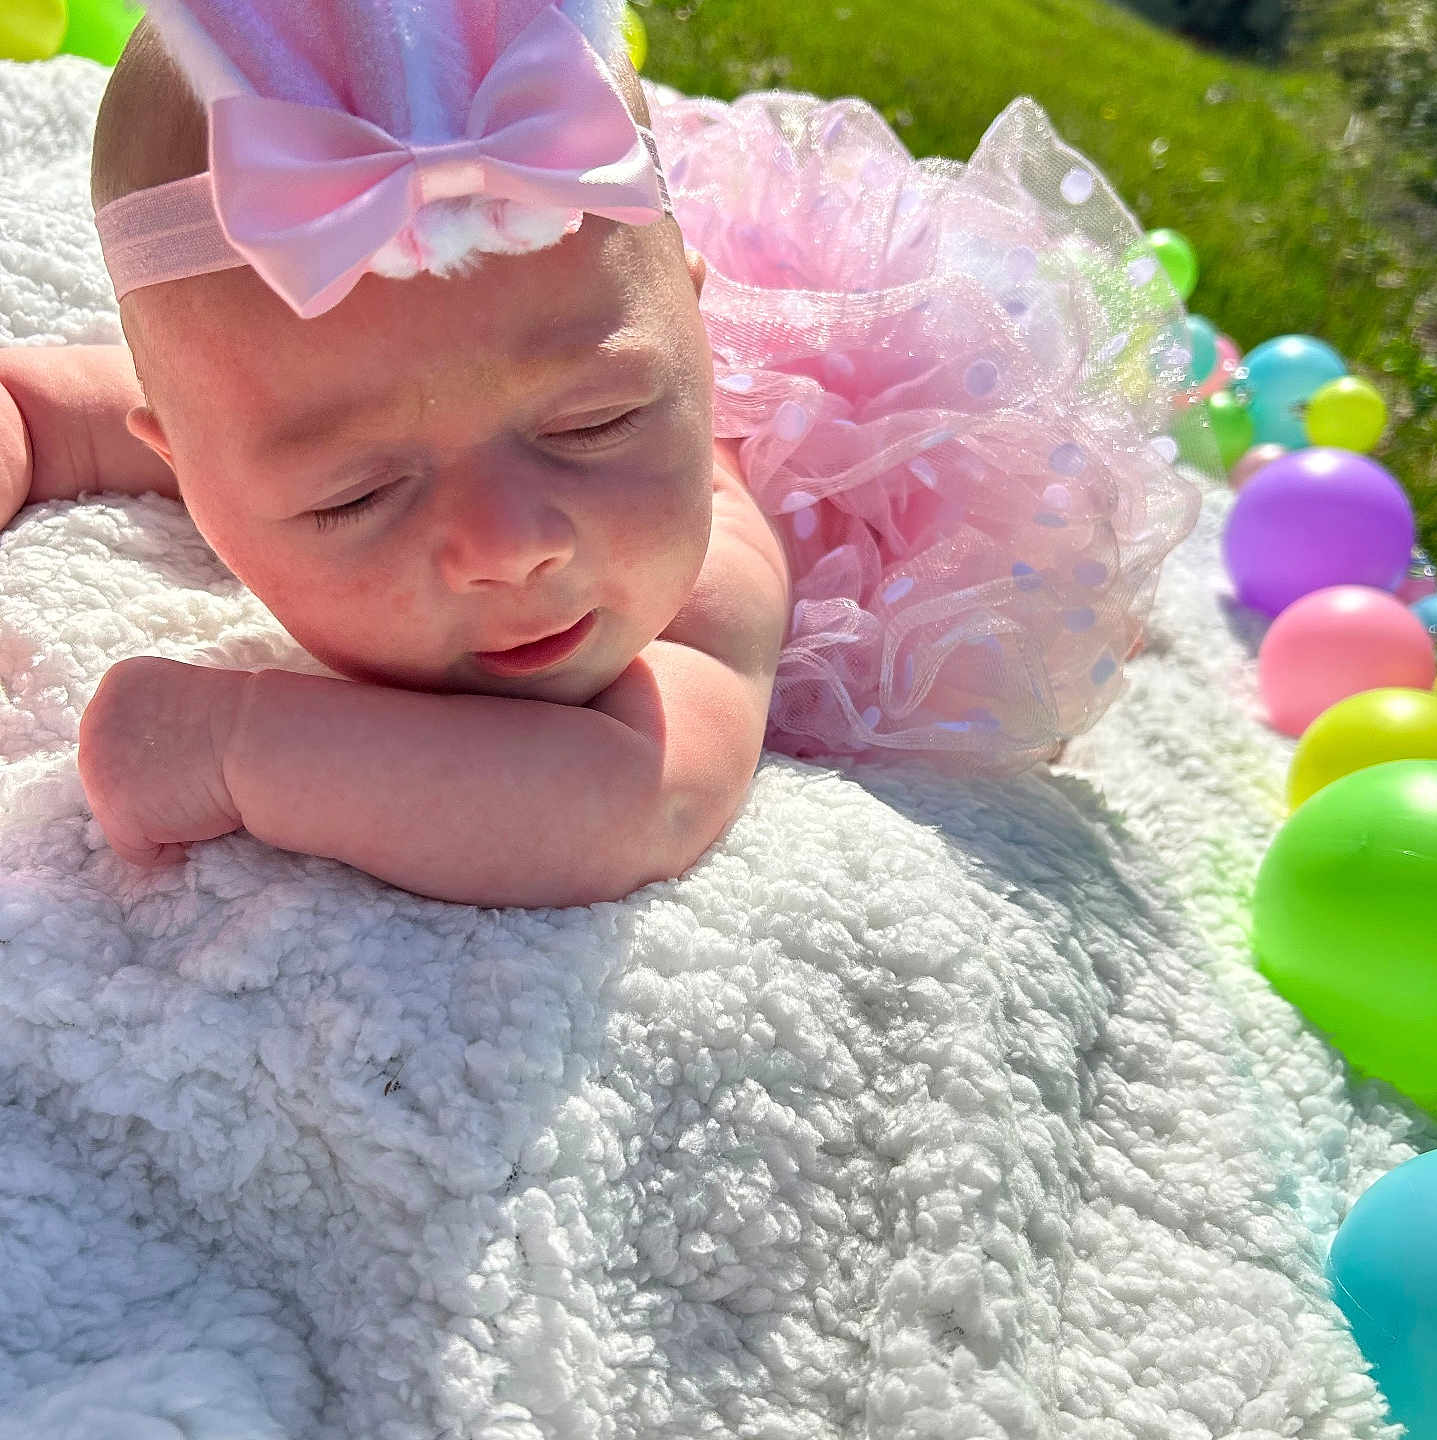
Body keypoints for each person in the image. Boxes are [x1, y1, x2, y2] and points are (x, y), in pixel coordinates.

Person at [0, 0, 1206, 908]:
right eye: (356, 496)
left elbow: (633, 802)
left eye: (594, 426)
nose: (513, 546)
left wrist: (240, 746)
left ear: (698, 339)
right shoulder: (331, 394)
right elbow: (61, 405)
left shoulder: (710, 579)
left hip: (897, 501)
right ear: (194, 476)